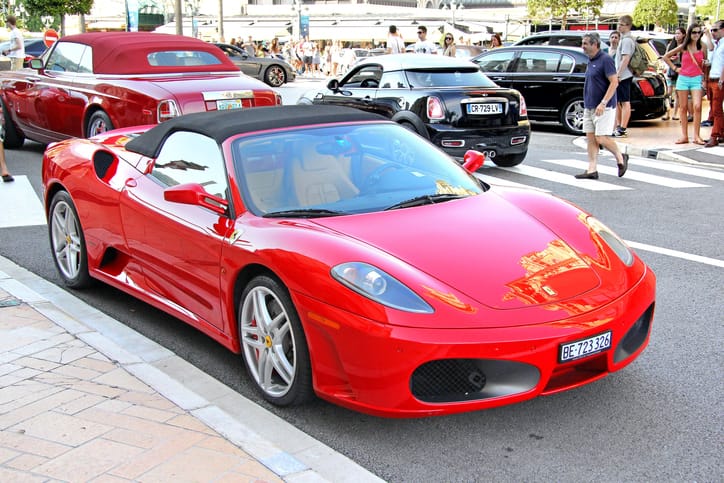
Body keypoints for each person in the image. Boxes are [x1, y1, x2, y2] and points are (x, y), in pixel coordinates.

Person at [574, 32, 628, 180]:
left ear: (595, 44)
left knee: (601, 138)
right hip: (590, 105)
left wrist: (603, 103)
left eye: (585, 43)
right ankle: (592, 169)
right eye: (583, 43)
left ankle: (620, 156)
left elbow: (614, 82)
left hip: (603, 106)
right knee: (590, 138)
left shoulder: (606, 60)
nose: (583, 46)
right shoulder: (590, 60)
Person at [663, 24, 708, 145]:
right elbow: (666, 56)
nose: (696, 35)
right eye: (694, 32)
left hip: (696, 77)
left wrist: (706, 67)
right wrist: (675, 68)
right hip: (683, 78)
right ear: (689, 33)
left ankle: (697, 136)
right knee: (682, 107)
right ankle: (684, 135)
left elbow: (706, 64)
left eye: (699, 32)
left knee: (697, 106)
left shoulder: (703, 46)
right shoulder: (684, 46)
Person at [613, 15, 635, 138]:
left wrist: (618, 74)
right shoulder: (624, 39)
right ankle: (619, 125)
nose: (619, 26)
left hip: (624, 75)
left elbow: (625, 59)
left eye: (621, 24)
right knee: (619, 101)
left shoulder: (626, 40)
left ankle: (622, 127)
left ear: (627, 26)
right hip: (623, 74)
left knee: (625, 101)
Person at [704, 19, 724, 147]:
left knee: (716, 109)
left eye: (715, 30)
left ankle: (715, 136)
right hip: (713, 78)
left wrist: (722, 79)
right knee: (715, 108)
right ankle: (720, 133)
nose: (713, 32)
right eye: (712, 30)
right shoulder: (717, 44)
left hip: (718, 80)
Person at [663, 27, 686, 121]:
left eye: (679, 33)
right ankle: (667, 113)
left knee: (677, 93)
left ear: (684, 35)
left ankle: (675, 113)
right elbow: (665, 56)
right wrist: (671, 58)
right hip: (671, 70)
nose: (677, 35)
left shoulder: (685, 46)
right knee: (668, 92)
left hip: (681, 70)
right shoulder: (671, 45)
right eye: (676, 33)